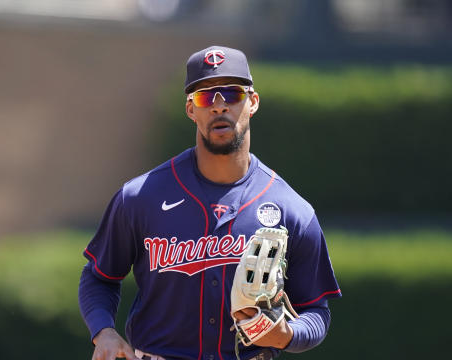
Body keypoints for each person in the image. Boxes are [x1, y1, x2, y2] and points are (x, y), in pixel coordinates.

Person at [78, 45, 341, 360]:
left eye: (231, 94)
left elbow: (316, 309)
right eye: (205, 97)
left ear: (252, 102)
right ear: (191, 109)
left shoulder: (290, 209)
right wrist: (103, 331)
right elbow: (98, 276)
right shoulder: (140, 197)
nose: (219, 107)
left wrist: (287, 334)